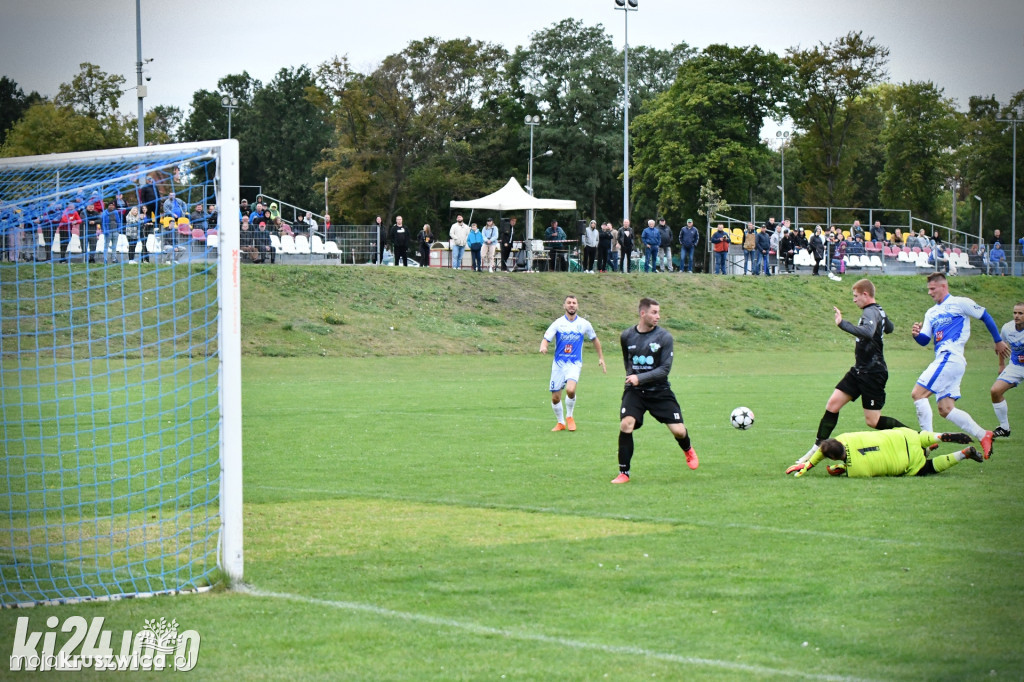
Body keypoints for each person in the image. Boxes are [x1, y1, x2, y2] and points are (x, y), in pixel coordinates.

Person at [794, 279, 909, 467]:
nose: (854, 300)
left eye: (856, 296)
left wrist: (842, 323)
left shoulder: (870, 311)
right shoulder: (878, 309)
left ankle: (912, 436)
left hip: (873, 373)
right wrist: (883, 319)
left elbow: (868, 332)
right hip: (859, 371)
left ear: (865, 294)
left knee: (873, 421)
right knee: (832, 404)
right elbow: (890, 328)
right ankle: (815, 450)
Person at [911, 272, 1008, 458]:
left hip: (951, 357)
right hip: (947, 360)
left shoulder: (960, 303)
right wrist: (916, 335)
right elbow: (925, 340)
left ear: (943, 286)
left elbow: (985, 315)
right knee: (945, 409)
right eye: (928, 289)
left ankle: (928, 442)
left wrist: (997, 340)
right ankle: (983, 434)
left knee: (917, 394)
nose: (930, 293)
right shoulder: (931, 313)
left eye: (933, 289)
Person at [612, 297, 698, 483]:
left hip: (660, 391)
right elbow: (628, 361)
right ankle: (623, 473)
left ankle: (688, 449)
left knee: (679, 432)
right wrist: (631, 379)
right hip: (635, 391)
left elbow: (664, 369)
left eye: (658, 312)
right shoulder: (626, 336)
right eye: (654, 312)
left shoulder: (664, 337)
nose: (658, 316)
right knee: (626, 424)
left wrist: (639, 377)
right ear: (643, 313)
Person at [786, 427, 979, 478]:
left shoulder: (855, 471)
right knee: (919, 436)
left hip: (907, 462)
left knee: (928, 468)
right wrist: (809, 463)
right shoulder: (845, 437)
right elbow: (827, 448)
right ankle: (935, 439)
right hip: (903, 437)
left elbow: (837, 465)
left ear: (835, 458)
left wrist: (808, 466)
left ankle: (963, 453)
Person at [540, 295, 606, 432]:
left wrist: (601, 357)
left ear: (577, 306)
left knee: (570, 389)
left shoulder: (584, 324)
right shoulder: (558, 323)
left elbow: (595, 340)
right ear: (564, 306)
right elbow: (546, 337)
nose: (571, 305)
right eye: (569, 303)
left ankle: (570, 417)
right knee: (555, 397)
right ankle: (560, 423)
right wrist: (544, 346)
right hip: (558, 364)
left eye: (574, 303)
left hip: (574, 363)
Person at [990, 301, 1024, 439]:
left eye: (1020, 313)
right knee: (995, 391)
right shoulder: (1007, 328)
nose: (1017, 316)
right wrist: (1001, 365)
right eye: (1015, 312)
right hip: (1015, 366)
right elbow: (1000, 346)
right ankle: (1004, 428)